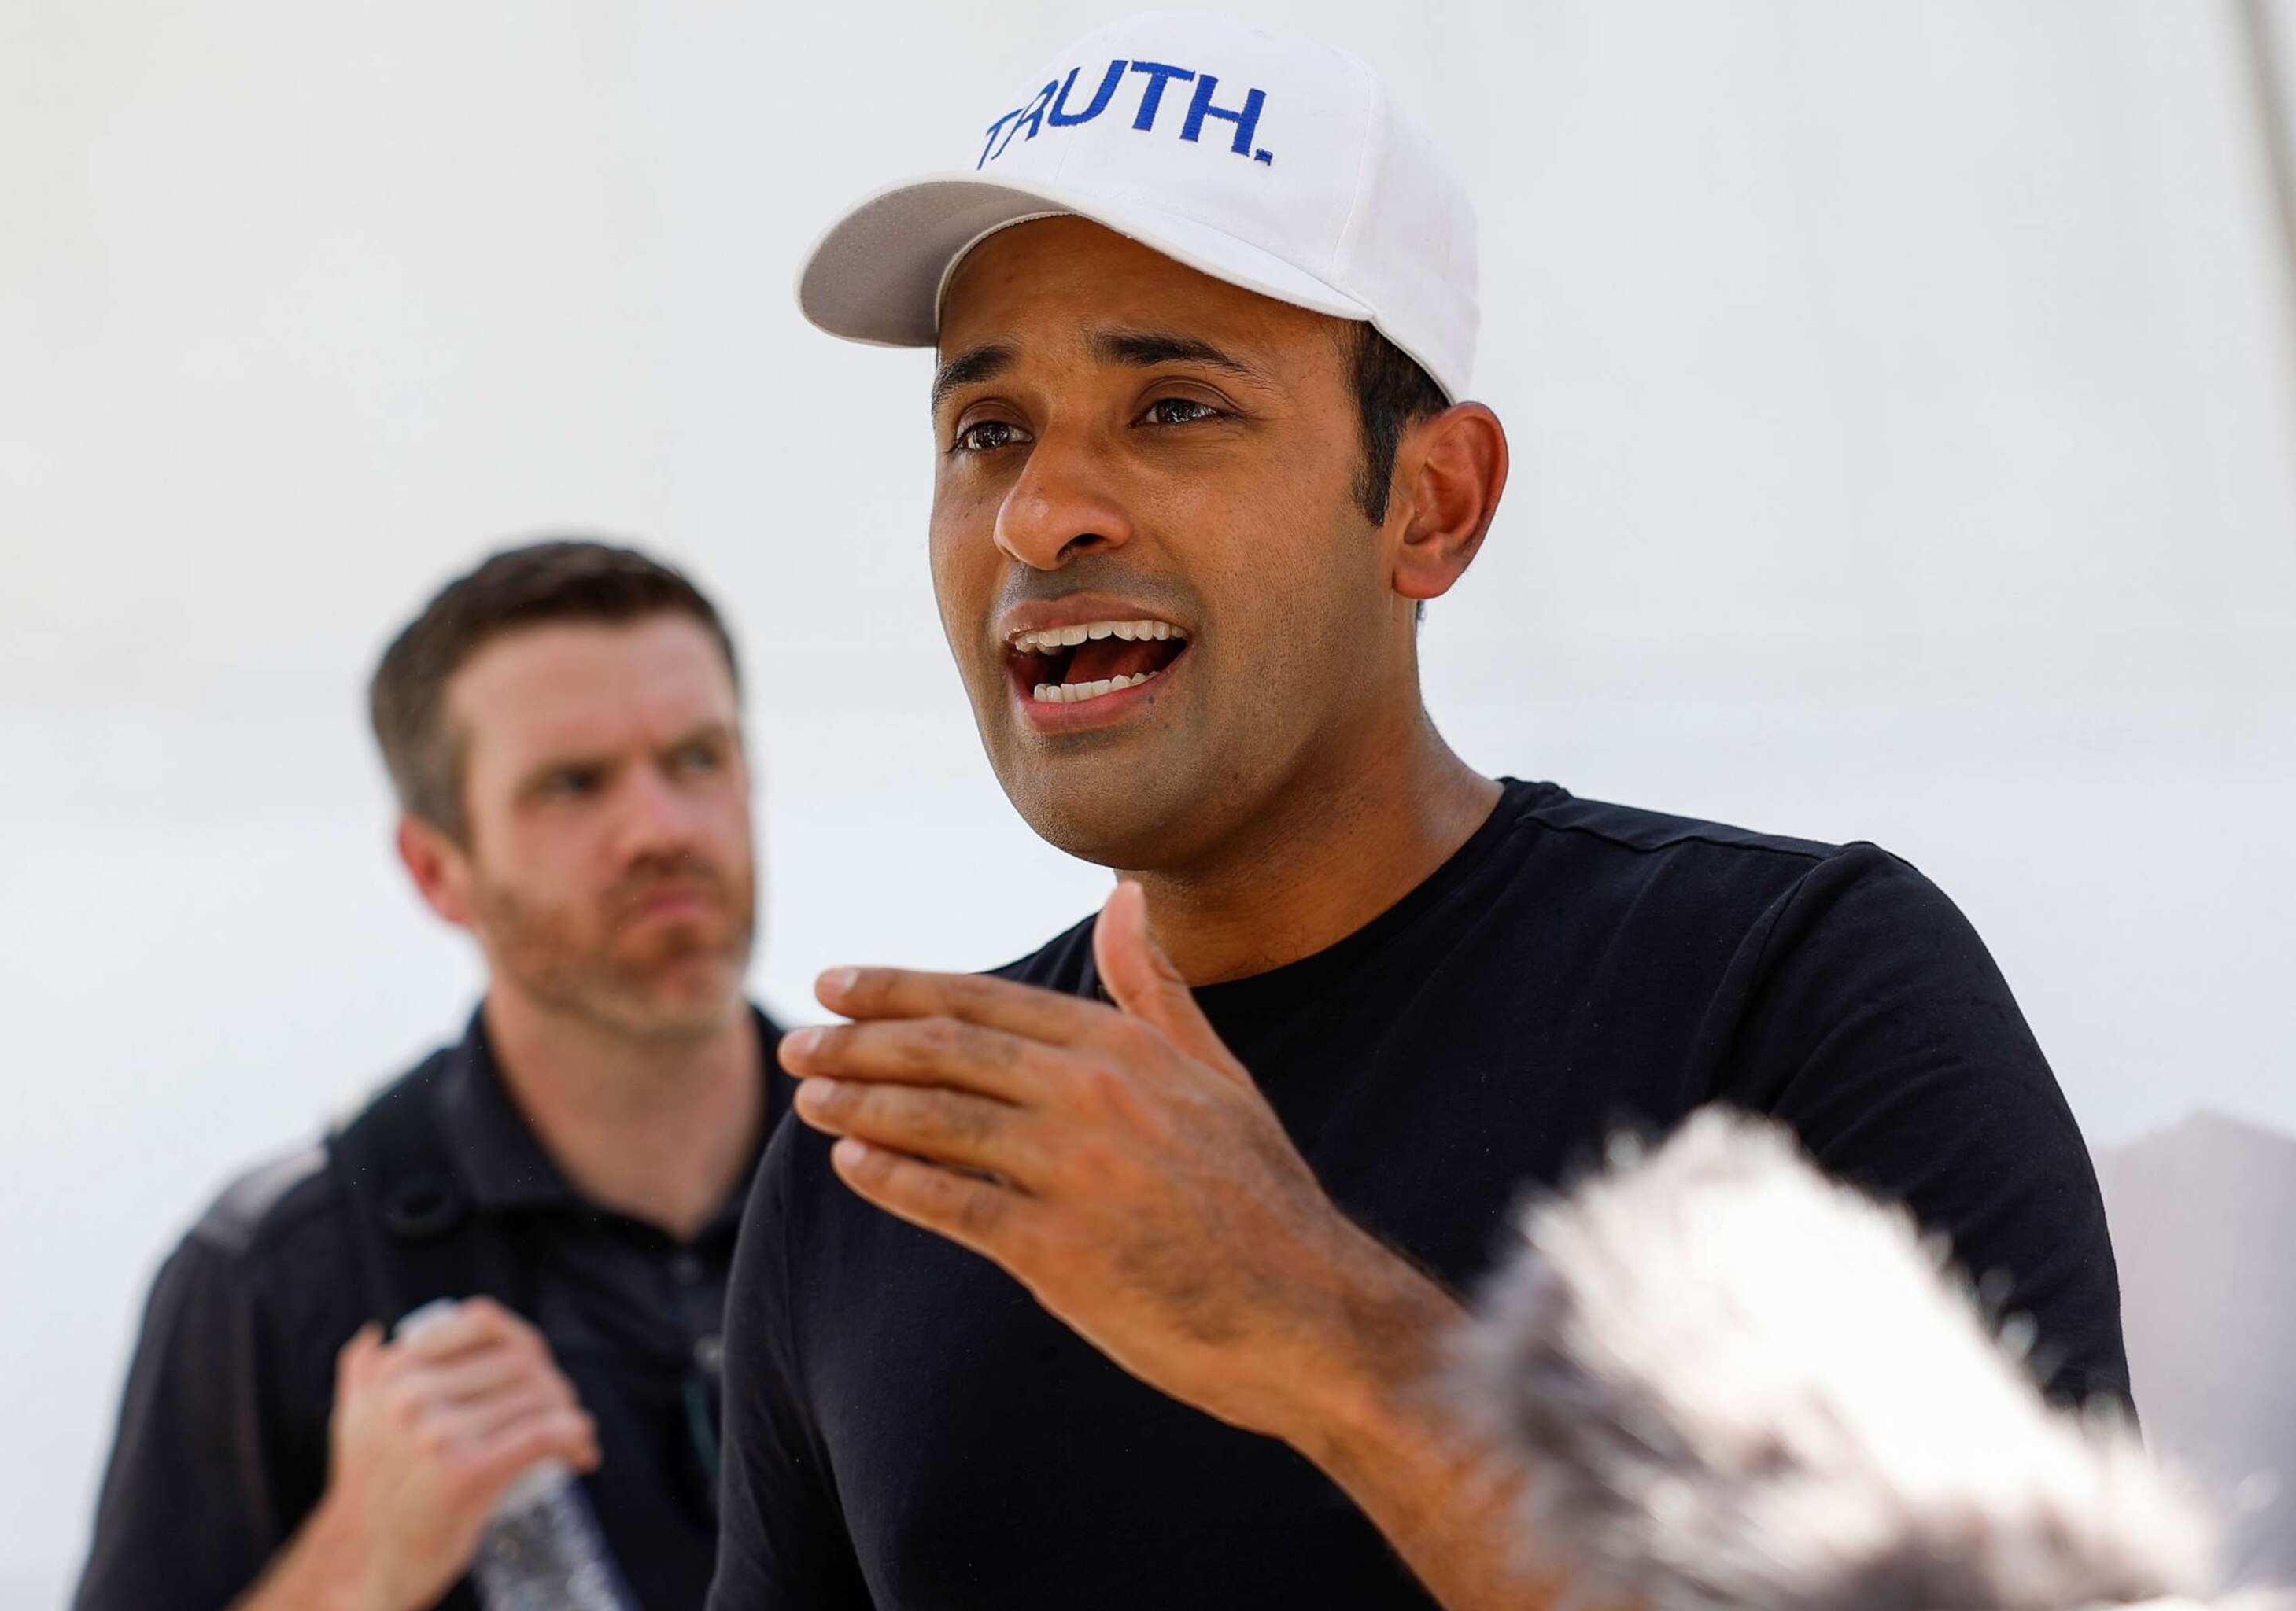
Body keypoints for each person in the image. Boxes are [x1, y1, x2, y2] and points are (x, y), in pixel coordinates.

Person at [711, 13, 2131, 1611]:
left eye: (1174, 406)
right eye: (988, 431)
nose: (1044, 512)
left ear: (1433, 504)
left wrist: (1325, 1329)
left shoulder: (1789, 999)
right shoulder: (879, 1176)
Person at [76, 540, 789, 1611]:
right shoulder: (278, 1269)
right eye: (573, 785)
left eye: (697, 760)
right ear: (435, 869)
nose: (661, 830)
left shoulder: (928, 1184)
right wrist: (361, 1561)